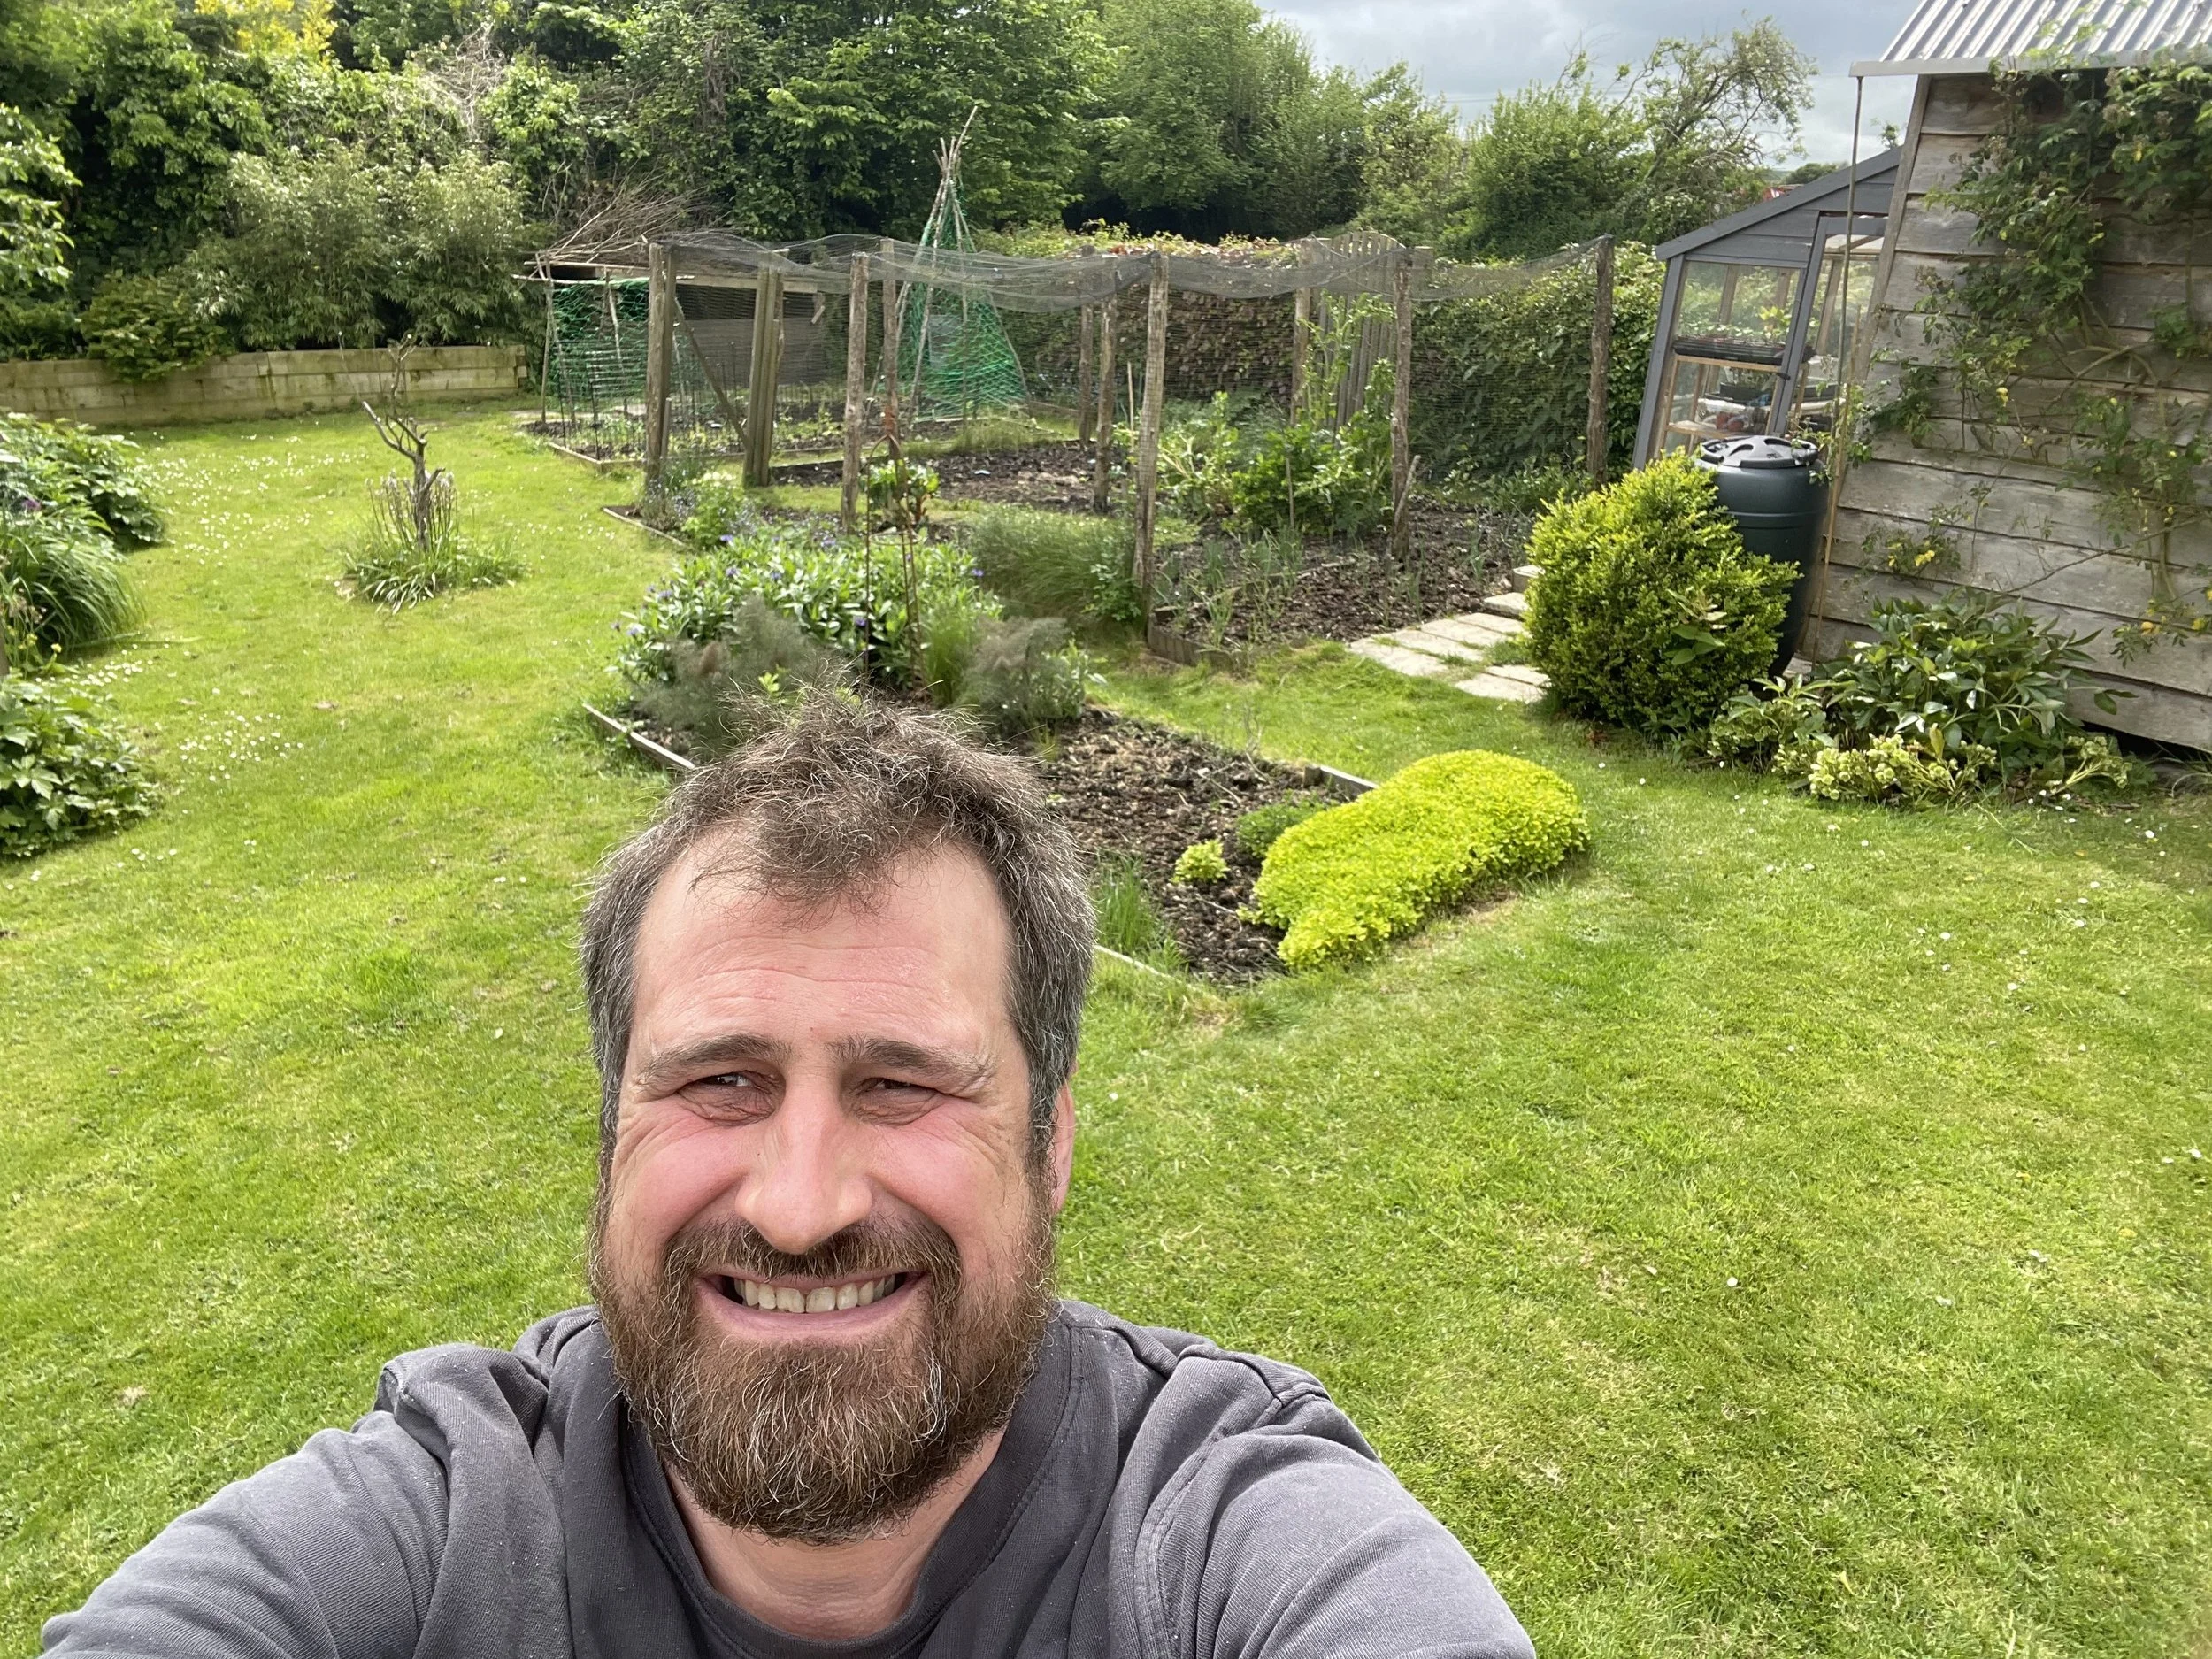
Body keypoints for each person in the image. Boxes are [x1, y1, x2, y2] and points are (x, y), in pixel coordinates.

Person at [45, 697, 1533, 1658]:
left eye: (901, 1083)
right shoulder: (442, 1521)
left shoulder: (1215, 1530)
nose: (799, 1201)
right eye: (719, 1080)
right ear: (611, 1124)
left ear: (1054, 1140)